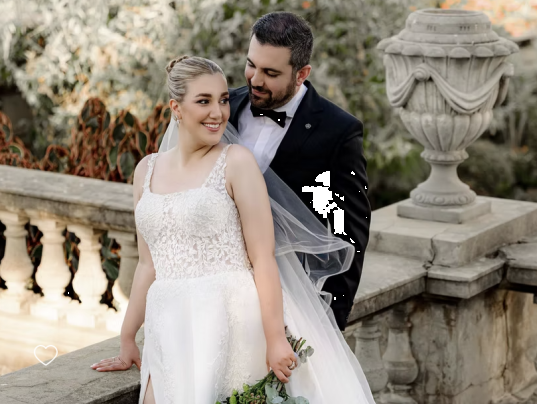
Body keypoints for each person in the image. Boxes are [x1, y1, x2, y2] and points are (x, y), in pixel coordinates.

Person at [90, 56, 375, 404]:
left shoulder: (236, 161)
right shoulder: (145, 170)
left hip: (232, 319)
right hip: (169, 323)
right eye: (204, 101)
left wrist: (275, 339)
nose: (218, 112)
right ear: (176, 108)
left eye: (224, 100)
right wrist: (127, 337)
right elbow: (148, 265)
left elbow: (263, 258)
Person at [228, 12, 371, 331]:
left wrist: (330, 323)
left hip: (290, 300)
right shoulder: (223, 107)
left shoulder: (339, 132)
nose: (255, 80)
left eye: (271, 73)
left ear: (301, 73)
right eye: (251, 64)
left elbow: (352, 234)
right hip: (221, 292)